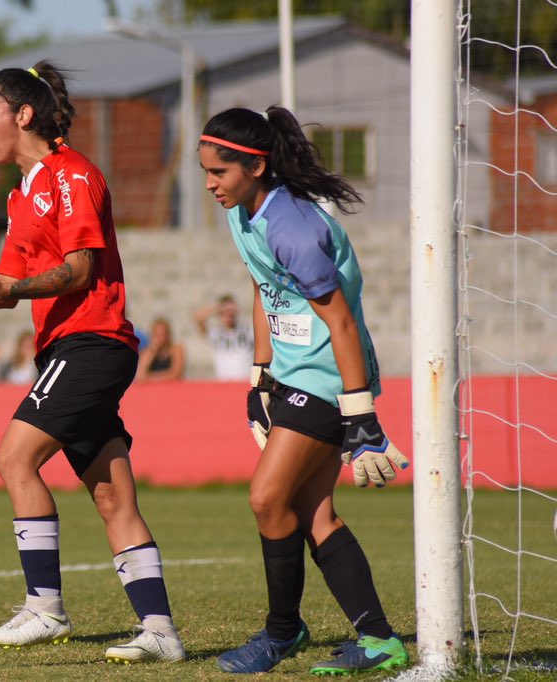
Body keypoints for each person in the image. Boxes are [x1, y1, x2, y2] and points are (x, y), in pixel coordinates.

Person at [0, 61, 185, 664]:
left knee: (13, 456)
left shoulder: (73, 175)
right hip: (73, 350)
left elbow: (77, 271)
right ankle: (161, 632)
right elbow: (3, 285)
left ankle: (45, 608)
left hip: (93, 344)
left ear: (23, 115)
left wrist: (10, 290)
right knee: (111, 497)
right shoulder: (19, 194)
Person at [196, 106, 410, 675]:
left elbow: (341, 323)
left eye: (219, 173)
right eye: (205, 173)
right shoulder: (242, 212)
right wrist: (260, 376)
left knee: (267, 499)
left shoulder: (293, 225)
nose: (210, 185)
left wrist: (360, 412)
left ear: (256, 165)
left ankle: (281, 634)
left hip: (329, 379)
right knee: (315, 515)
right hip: (293, 378)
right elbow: (264, 288)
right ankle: (379, 640)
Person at [193, 293, 253, 381]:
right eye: (224, 312)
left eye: (231, 312)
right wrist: (218, 308)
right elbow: (198, 318)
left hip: (245, 381)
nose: (228, 315)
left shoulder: (248, 331)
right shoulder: (215, 333)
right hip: (223, 383)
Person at [135, 317, 185, 382]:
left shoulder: (176, 350)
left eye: (163, 335)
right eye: (157, 335)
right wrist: (152, 351)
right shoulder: (147, 352)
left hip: (172, 388)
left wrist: (149, 379)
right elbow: (140, 376)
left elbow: (175, 374)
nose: (161, 339)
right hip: (153, 390)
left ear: (168, 335)